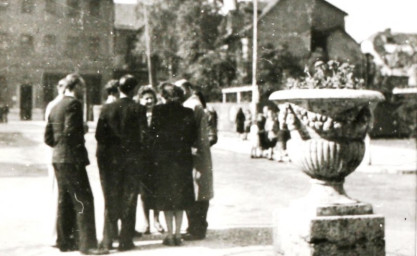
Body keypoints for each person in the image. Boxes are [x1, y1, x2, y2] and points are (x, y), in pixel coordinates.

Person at [44, 73, 107, 255]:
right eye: (82, 87)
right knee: (84, 200)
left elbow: (48, 137)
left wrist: (60, 148)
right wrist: (82, 131)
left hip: (57, 158)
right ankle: (88, 245)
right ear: (75, 87)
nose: (84, 91)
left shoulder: (55, 105)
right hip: (72, 159)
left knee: (65, 200)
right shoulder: (74, 104)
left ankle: (65, 242)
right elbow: (71, 131)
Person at [95, 74, 146, 251]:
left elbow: (99, 136)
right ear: (133, 90)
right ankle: (125, 241)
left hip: (110, 161)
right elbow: (144, 136)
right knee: (129, 199)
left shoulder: (107, 108)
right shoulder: (138, 109)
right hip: (131, 161)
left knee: (110, 199)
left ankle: (107, 240)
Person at [151, 82, 196, 246]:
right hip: (183, 159)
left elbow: (152, 135)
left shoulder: (158, 111)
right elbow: (192, 137)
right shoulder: (188, 112)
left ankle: (169, 234)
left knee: (167, 198)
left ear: (163, 96)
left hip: (163, 160)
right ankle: (178, 233)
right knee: (181, 197)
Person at [175, 79, 213, 241]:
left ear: (189, 89)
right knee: (199, 190)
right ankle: (197, 227)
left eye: (181, 90)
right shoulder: (195, 104)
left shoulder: (191, 106)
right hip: (199, 152)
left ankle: (196, 229)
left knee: (197, 191)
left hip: (195, 153)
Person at [136, 85, 165, 235]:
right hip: (142, 159)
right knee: (144, 193)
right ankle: (146, 222)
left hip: (157, 158)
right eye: (145, 98)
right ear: (140, 100)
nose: (148, 101)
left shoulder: (160, 114)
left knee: (158, 190)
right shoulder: (137, 115)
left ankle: (156, 220)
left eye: (151, 98)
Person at [44, 78, 67, 247]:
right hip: (59, 155)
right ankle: (57, 235)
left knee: (58, 194)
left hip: (55, 153)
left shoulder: (52, 105)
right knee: (59, 194)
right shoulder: (58, 105)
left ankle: (58, 234)